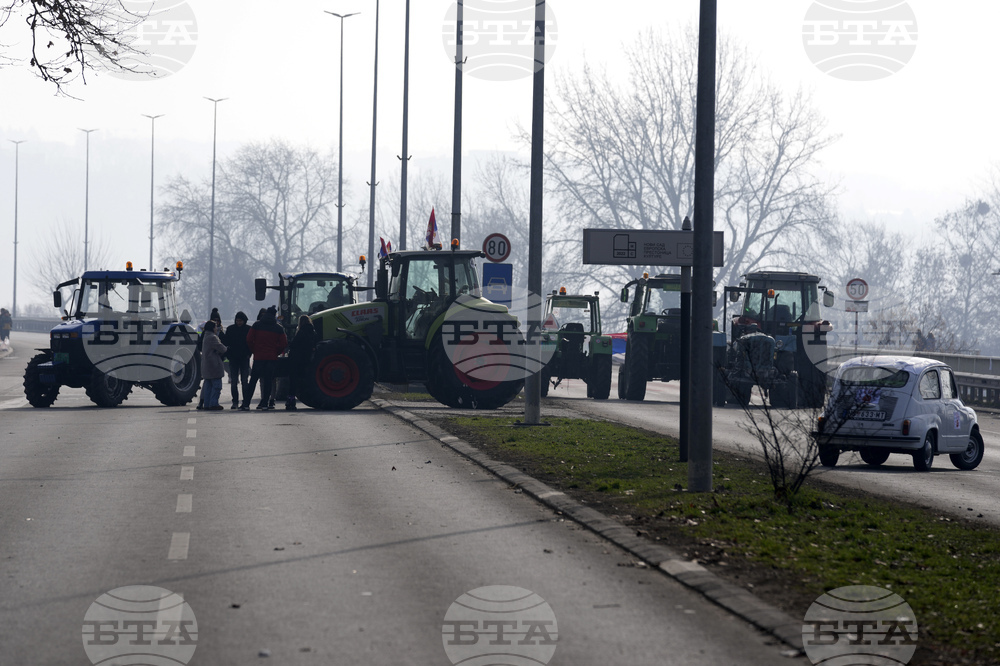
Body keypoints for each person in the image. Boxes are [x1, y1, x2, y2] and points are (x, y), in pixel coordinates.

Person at [242, 306, 287, 410]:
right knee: (268, 381)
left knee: (253, 380)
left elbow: (249, 339)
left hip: (258, 357)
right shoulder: (278, 328)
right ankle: (265, 403)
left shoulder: (257, 325)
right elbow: (284, 343)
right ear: (274, 315)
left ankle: (246, 404)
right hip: (271, 358)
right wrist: (276, 352)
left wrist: (254, 350)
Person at [285, 314, 316, 410]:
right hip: (306, 358)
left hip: (295, 359)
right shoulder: (313, 332)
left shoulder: (301, 332)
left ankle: (291, 401)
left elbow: (294, 344)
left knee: (293, 381)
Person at [222, 311, 251, 409]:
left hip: (244, 358)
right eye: (237, 320)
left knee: (244, 381)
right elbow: (226, 342)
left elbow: (251, 343)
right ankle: (235, 401)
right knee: (234, 381)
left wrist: (248, 354)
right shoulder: (230, 329)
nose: (239, 323)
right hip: (234, 358)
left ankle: (245, 402)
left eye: (240, 321)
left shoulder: (248, 329)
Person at [199, 320, 228, 411]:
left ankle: (207, 404)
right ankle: (214, 403)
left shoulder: (205, 336)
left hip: (206, 366)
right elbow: (222, 349)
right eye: (215, 327)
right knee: (216, 386)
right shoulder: (212, 337)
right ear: (212, 328)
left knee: (208, 386)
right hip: (214, 365)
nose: (216, 328)